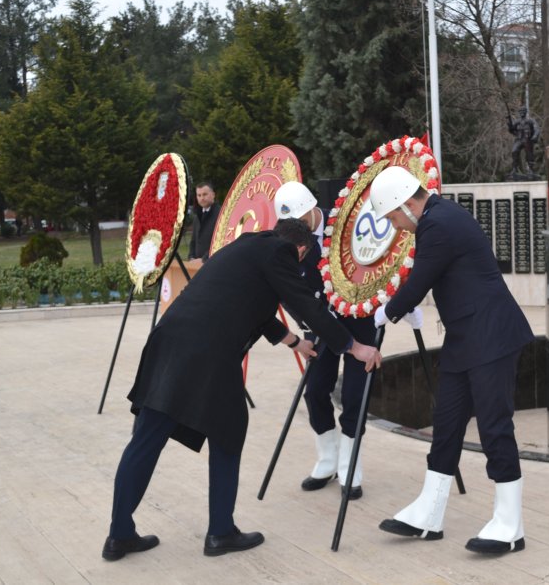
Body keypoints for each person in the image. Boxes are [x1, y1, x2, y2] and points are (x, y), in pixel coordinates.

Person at [103, 218, 382, 562]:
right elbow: (307, 305)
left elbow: (255, 308)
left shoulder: (245, 247)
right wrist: (354, 346)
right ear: (300, 249)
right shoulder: (281, 253)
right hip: (207, 354)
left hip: (169, 342)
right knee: (227, 433)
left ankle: (119, 535)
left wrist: (294, 341)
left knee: (147, 437)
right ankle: (220, 532)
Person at [369, 166, 534, 555]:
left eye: (393, 217)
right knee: (446, 423)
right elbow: (437, 276)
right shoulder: (437, 219)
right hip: (465, 338)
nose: (395, 226)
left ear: (408, 204)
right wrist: (403, 307)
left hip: (490, 335)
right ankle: (429, 512)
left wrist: (390, 311)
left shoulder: (438, 224)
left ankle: (510, 523)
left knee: (494, 425)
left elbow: (421, 277)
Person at [273, 182, 388, 500]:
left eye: (300, 221)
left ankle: (350, 466)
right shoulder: (283, 237)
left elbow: (376, 260)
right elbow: (286, 290)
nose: (295, 229)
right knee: (314, 393)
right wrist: (308, 326)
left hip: (361, 321)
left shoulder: (345, 224)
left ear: (313, 209)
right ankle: (328, 460)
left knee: (354, 396)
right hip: (319, 324)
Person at [188, 181, 219, 263]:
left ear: (213, 195)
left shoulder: (221, 215)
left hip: (213, 263)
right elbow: (193, 241)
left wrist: (203, 259)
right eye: (199, 195)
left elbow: (220, 242)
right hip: (196, 266)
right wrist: (191, 257)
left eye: (205, 194)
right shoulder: (197, 216)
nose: (202, 198)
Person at [508, 107, 540, 176]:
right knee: (514, 151)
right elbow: (511, 129)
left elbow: (537, 128)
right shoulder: (517, 121)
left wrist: (534, 136)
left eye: (523, 111)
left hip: (527, 139)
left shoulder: (531, 120)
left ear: (526, 112)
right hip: (519, 139)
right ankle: (514, 168)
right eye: (520, 111)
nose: (521, 113)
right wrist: (509, 123)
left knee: (529, 154)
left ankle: (531, 169)